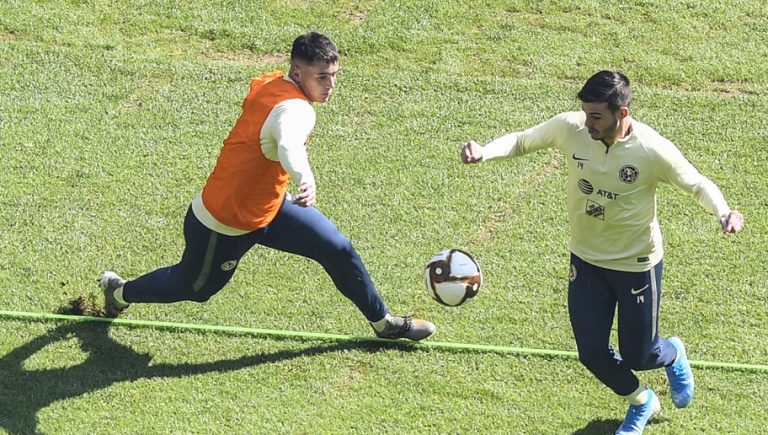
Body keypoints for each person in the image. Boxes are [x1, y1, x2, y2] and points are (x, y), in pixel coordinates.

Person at [99, 31, 435, 341]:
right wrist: (305, 178)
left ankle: (384, 323)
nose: (331, 85)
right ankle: (119, 291)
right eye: (322, 77)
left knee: (337, 248)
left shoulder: (272, 83)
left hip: (270, 208)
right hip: (226, 222)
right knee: (196, 288)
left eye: (334, 75)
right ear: (298, 72)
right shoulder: (296, 109)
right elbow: (289, 144)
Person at [461, 70, 744, 434]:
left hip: (636, 264)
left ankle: (672, 352)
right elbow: (521, 141)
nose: (588, 122)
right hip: (587, 259)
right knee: (591, 352)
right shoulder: (572, 128)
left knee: (640, 355)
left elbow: (696, 184)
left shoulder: (650, 149)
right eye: (585, 112)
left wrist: (724, 212)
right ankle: (642, 401)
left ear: (622, 113)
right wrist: (484, 152)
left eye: (596, 116)